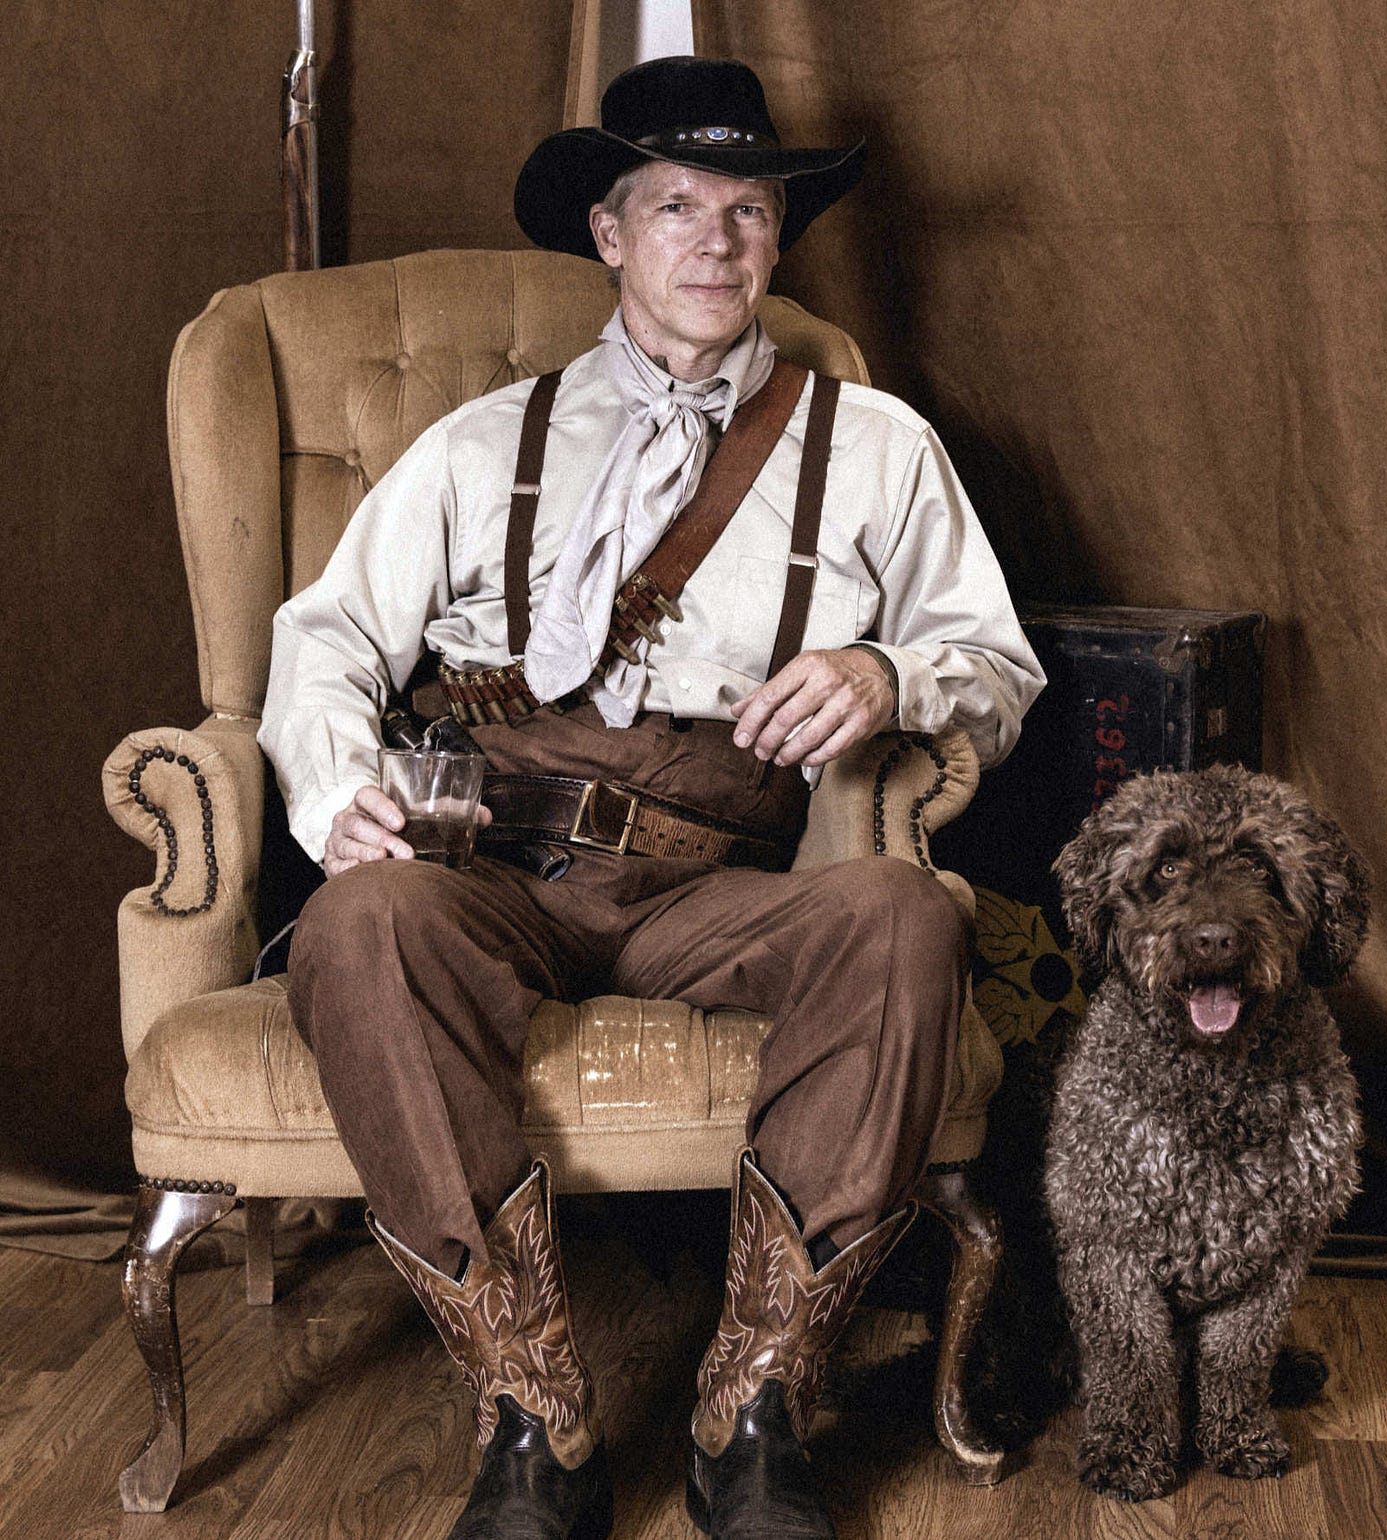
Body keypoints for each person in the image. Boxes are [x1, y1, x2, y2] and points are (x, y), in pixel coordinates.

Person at [260, 54, 1043, 1540]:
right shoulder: (479, 446)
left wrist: (886, 674)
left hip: (717, 878)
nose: (716, 240)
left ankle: (754, 1405)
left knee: (902, 918)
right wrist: (340, 796)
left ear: (776, 234)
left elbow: (993, 662)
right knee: (354, 928)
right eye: (675, 205)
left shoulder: (875, 447)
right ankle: (532, 1418)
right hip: (488, 861)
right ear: (610, 235)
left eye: (747, 209)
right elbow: (325, 638)